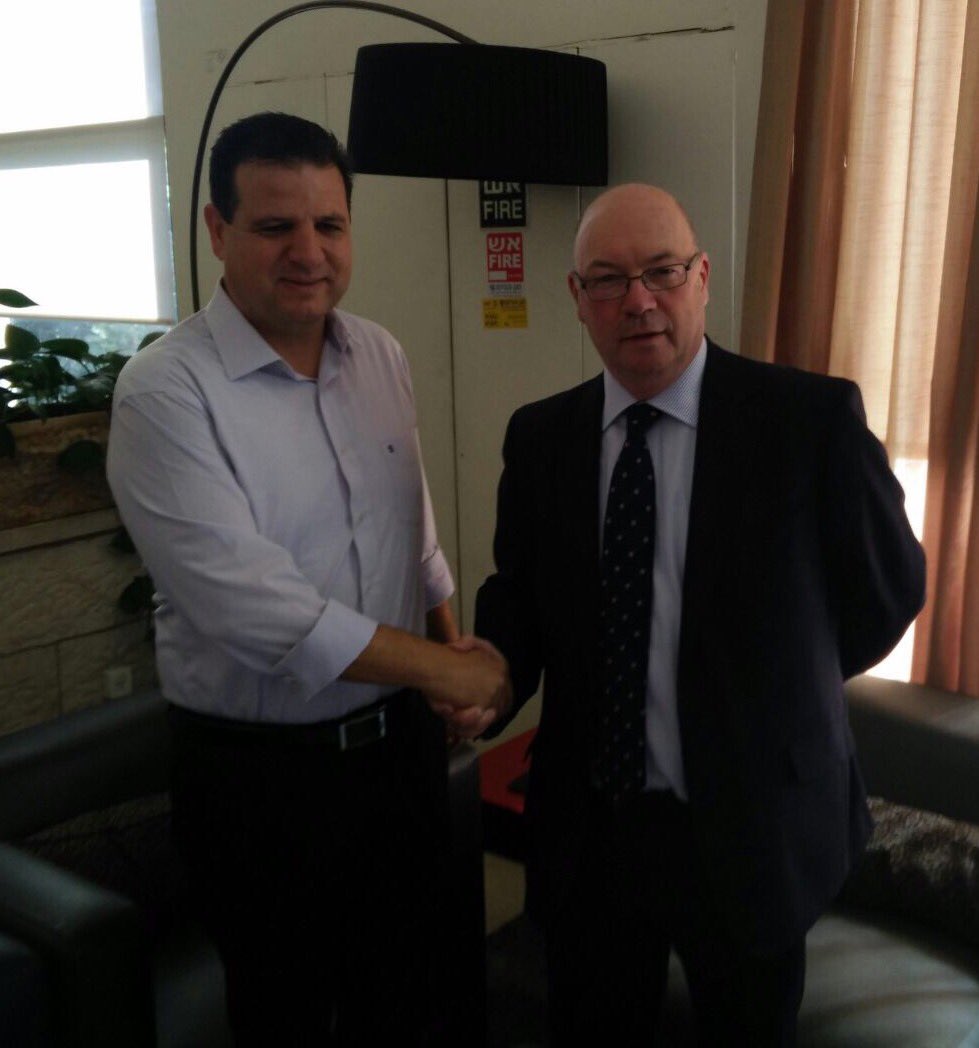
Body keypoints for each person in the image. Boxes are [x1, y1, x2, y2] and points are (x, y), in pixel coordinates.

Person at [473, 183, 926, 1046]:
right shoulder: (540, 438)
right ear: (577, 297)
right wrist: (488, 679)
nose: (638, 300)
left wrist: (784, 681)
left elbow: (889, 588)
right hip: (593, 834)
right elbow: (520, 599)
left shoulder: (807, 422)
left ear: (703, 278)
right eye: (608, 279)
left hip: (751, 829)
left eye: (662, 272)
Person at [107, 111, 507, 1046]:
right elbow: (253, 610)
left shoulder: (380, 354)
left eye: (329, 224)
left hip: (397, 762)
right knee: (283, 1016)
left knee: (408, 1004)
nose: (308, 252)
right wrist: (452, 670)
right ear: (217, 229)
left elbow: (411, 531)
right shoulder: (167, 391)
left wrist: (449, 650)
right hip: (259, 784)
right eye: (275, 226)